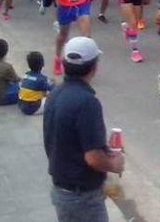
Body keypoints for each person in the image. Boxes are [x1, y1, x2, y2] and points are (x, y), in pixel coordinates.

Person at [44, 37, 123, 222]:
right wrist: (114, 165)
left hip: (62, 189)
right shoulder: (87, 103)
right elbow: (92, 158)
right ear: (94, 67)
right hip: (82, 196)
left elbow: (65, 138)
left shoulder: (55, 93)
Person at [18, 51, 53, 115]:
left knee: (38, 90)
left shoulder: (25, 75)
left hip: (21, 106)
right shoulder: (42, 79)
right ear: (43, 64)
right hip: (33, 108)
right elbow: (53, 89)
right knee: (53, 98)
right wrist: (53, 83)